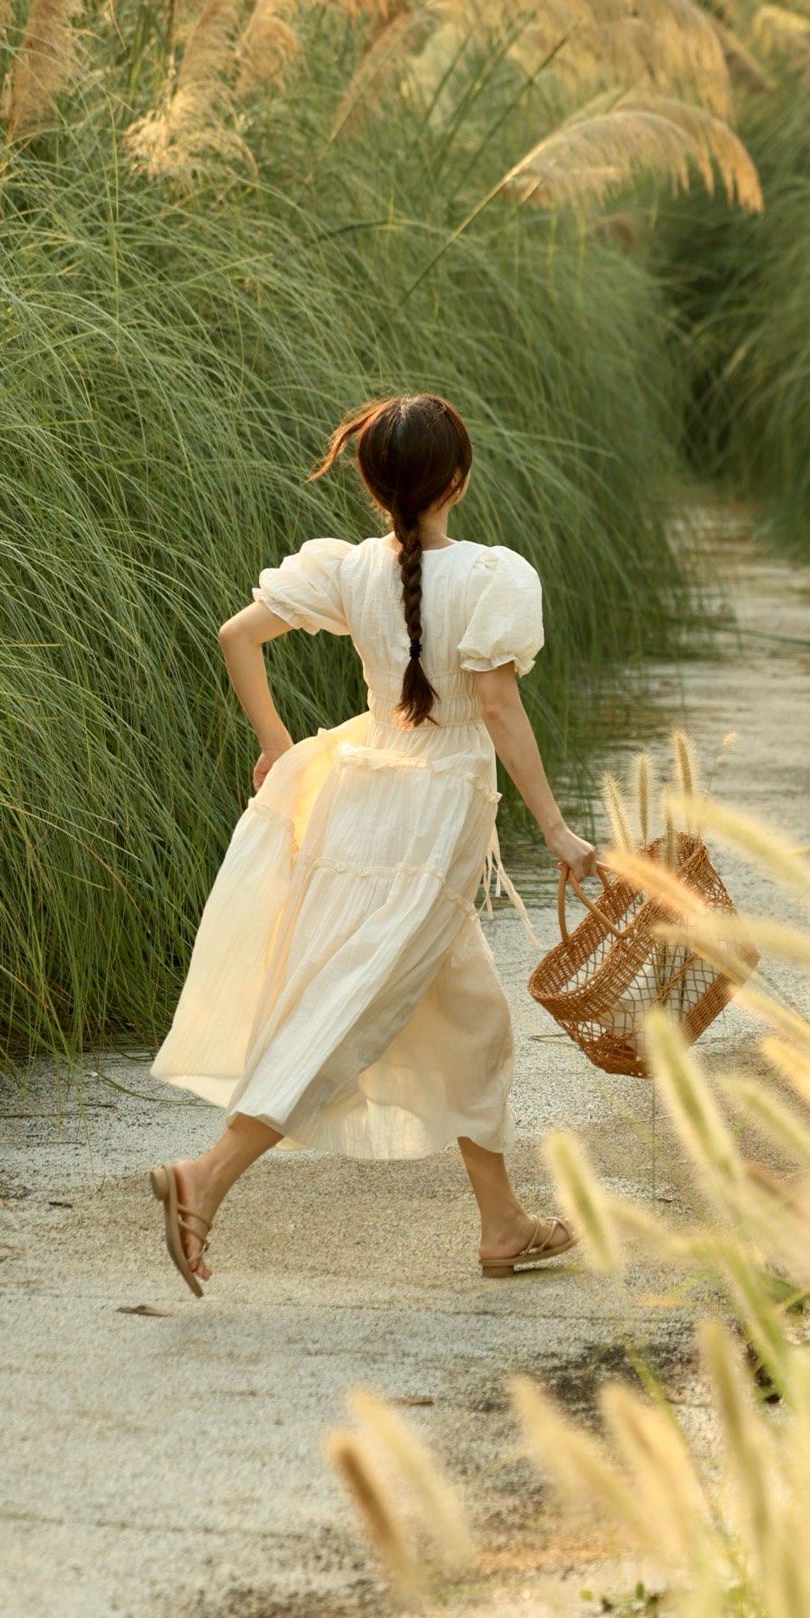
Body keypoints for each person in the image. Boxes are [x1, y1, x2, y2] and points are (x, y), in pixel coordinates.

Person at [148, 393, 599, 1291]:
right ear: (458, 482)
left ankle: (503, 1224)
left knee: (472, 1020)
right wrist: (555, 828)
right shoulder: (492, 576)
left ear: (370, 484)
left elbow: (239, 636)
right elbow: (500, 708)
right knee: (351, 1007)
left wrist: (277, 742)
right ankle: (206, 1176)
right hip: (434, 820)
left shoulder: (352, 569)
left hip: (362, 794)